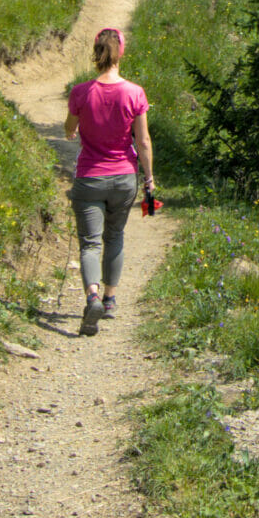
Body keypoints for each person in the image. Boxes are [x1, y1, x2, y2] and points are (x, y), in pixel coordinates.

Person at [62, 26, 155, 332]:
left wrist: (72, 129)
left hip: (90, 176)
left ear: (96, 53)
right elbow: (142, 142)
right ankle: (111, 299)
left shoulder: (80, 92)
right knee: (114, 236)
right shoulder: (134, 93)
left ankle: (92, 299)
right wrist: (149, 179)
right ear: (121, 53)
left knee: (89, 243)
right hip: (123, 177)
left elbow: (68, 128)